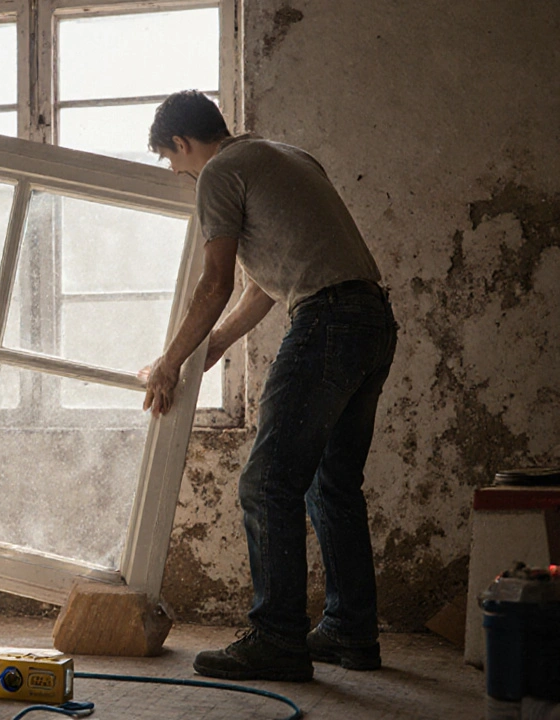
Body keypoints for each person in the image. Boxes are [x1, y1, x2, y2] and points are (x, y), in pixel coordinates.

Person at [141, 90, 397, 682]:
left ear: (181, 143)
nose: (179, 174)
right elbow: (263, 284)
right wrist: (217, 345)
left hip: (328, 321)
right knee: (333, 485)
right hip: (372, 321)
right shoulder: (284, 156)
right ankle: (350, 631)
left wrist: (170, 362)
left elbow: (216, 283)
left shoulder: (219, 172)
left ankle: (279, 639)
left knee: (266, 484)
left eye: (172, 162)